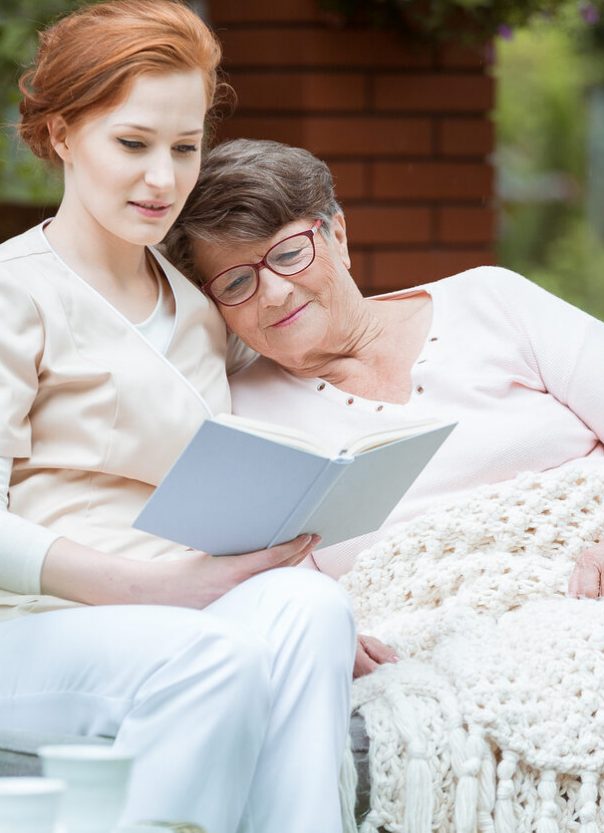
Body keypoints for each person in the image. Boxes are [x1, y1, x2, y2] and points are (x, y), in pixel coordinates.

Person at [0, 7, 356, 833]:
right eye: (132, 144)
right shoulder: (17, 292)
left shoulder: (198, 307)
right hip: (38, 626)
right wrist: (155, 590)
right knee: (218, 654)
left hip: (176, 615)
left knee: (314, 612)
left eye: (185, 146)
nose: (164, 179)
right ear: (60, 136)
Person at [164, 137, 604, 616]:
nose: (272, 293)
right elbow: (287, 596)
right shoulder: (242, 418)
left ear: (338, 237)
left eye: (289, 254)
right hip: (426, 629)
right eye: (236, 282)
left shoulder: (492, 300)